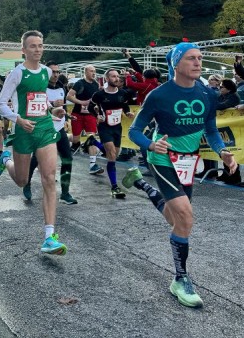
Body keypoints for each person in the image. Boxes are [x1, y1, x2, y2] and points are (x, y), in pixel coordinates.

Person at [126, 42, 238, 308]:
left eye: (200, 57)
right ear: (176, 64)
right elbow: (134, 131)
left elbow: (211, 129)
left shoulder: (207, 93)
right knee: (186, 218)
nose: (198, 63)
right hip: (162, 159)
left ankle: (142, 184)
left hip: (187, 162)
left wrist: (222, 152)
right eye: (191, 58)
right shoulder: (159, 95)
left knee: (175, 219)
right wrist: (151, 145)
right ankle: (180, 279)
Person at [0, 30, 68, 255]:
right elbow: (0, 104)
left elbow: (40, 99)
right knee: (22, 180)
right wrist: (18, 119)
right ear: (24, 50)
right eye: (33, 46)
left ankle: (49, 237)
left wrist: (52, 110)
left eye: (40, 45)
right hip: (24, 130)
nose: (37, 49)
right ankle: (6, 160)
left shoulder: (47, 71)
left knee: (49, 179)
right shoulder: (17, 74)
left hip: (44, 128)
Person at [23, 61, 77, 205]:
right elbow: (35, 107)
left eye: (58, 72)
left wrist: (66, 116)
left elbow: (62, 107)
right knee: (36, 159)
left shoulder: (61, 87)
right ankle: (26, 183)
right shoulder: (39, 86)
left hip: (59, 128)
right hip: (44, 129)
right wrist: (53, 106)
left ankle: (65, 193)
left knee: (67, 159)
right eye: (53, 72)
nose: (56, 75)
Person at [91, 69, 135, 198]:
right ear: (107, 79)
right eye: (113, 76)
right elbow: (90, 106)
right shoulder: (99, 94)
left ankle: (93, 142)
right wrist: (97, 115)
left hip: (117, 127)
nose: (116, 79)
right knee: (111, 154)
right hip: (105, 127)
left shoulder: (123, 93)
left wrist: (127, 112)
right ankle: (114, 187)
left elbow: (125, 105)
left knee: (114, 155)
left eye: (117, 76)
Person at [66, 65, 103, 174]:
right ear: (86, 72)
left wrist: (98, 110)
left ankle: (93, 165)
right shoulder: (79, 83)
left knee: (91, 138)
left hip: (90, 115)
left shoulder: (96, 84)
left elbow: (97, 100)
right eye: (91, 71)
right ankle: (64, 137)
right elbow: (69, 96)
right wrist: (81, 102)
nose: (93, 73)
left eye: (95, 71)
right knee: (76, 139)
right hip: (77, 114)